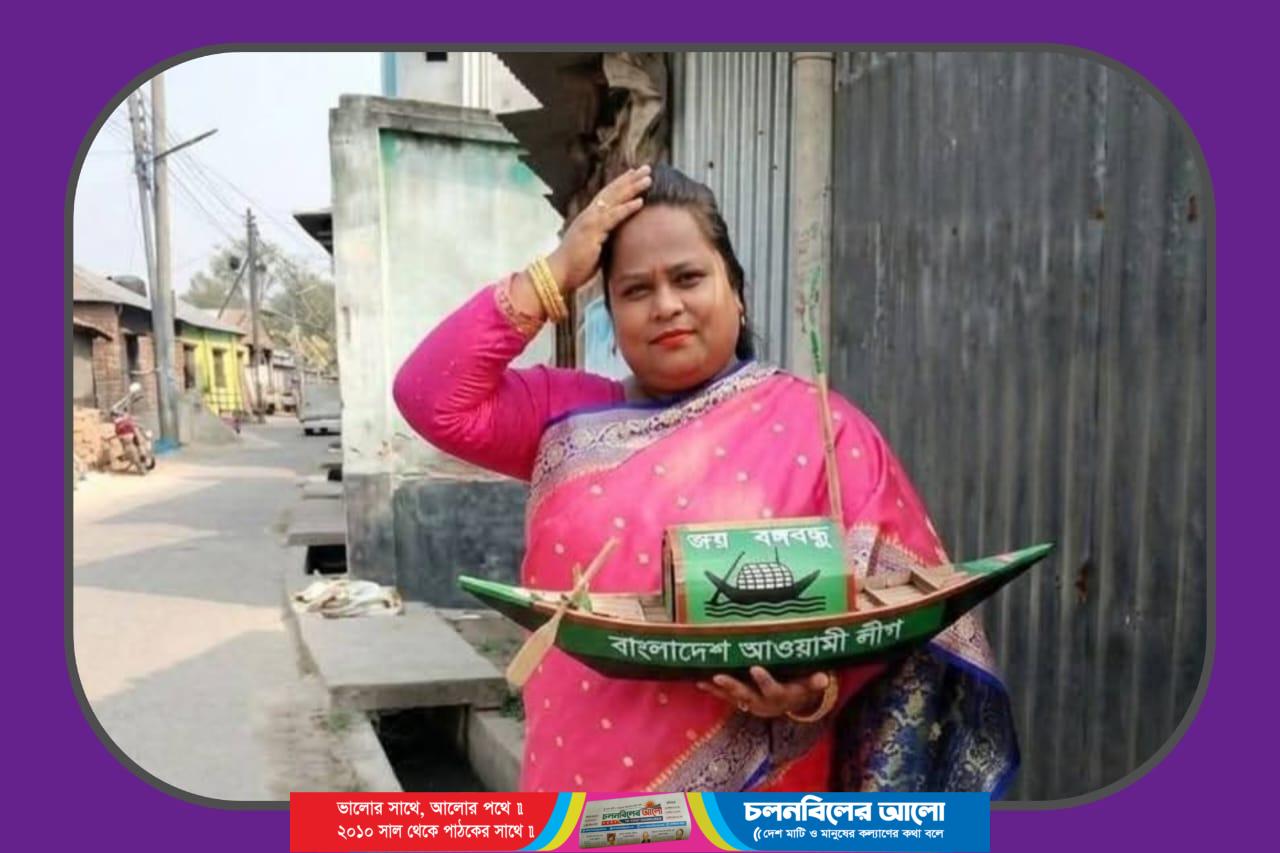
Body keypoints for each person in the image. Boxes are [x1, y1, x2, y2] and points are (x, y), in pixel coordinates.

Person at [394, 163, 1018, 794]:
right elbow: (430, 396)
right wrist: (553, 271)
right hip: (579, 793)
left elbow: (905, 626)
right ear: (611, 312)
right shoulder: (563, 417)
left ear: (736, 291)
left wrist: (814, 692)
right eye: (635, 290)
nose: (666, 305)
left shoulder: (824, 431)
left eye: (688, 278)